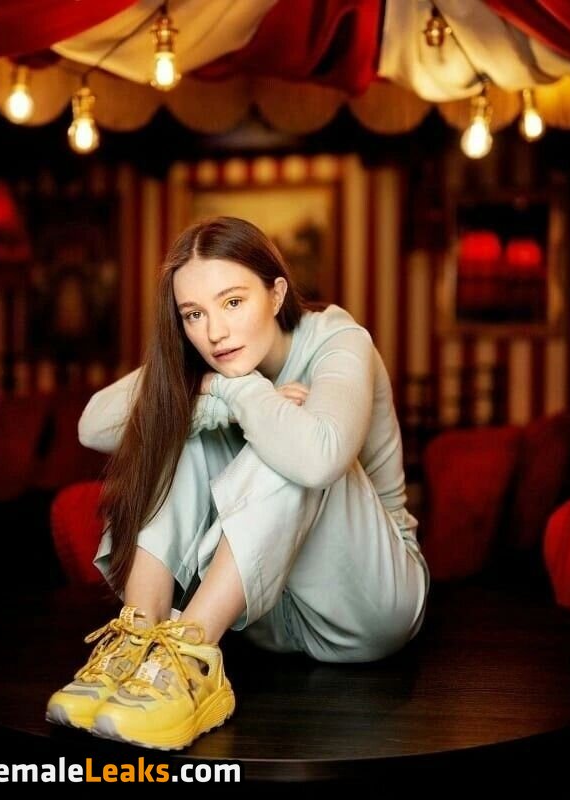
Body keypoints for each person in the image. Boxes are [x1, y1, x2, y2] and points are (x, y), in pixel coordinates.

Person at [45, 215, 430, 751]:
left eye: (232, 302)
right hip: (267, 614)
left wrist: (243, 393)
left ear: (276, 294)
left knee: (289, 438)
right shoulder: (203, 360)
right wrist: (217, 398)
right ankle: (137, 642)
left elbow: (318, 459)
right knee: (179, 425)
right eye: (193, 314)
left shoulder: (339, 339)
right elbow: (93, 425)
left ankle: (189, 656)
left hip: (369, 600)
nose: (214, 332)